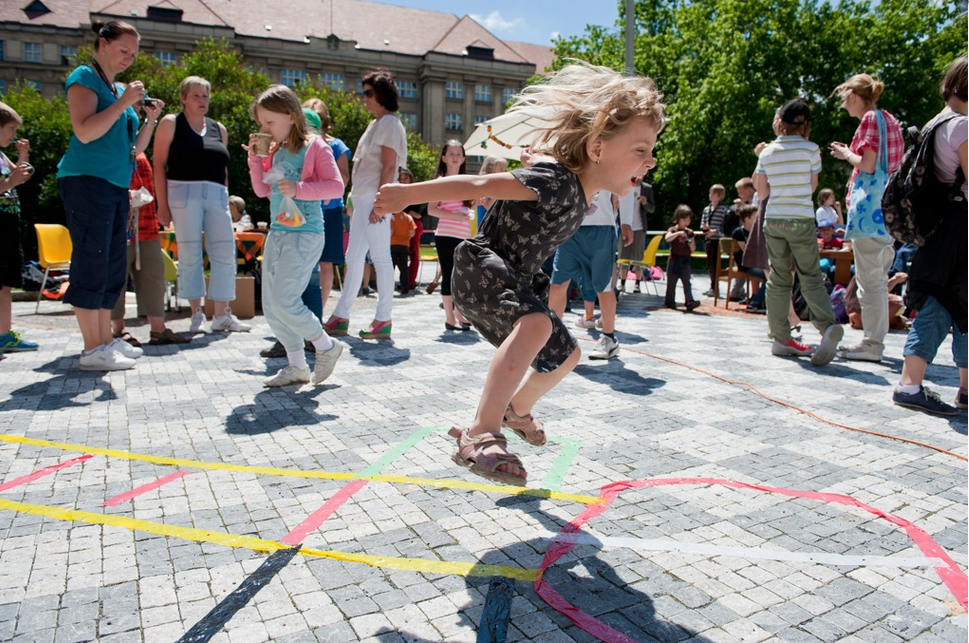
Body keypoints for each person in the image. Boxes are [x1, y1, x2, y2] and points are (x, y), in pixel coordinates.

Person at [373, 62, 664, 485]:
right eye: (640, 150)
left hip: (513, 279)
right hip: (482, 269)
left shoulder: (580, 189)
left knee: (567, 355)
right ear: (598, 149)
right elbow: (479, 186)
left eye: (652, 150)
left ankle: (517, 411)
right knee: (536, 326)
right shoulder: (555, 182)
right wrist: (407, 195)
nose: (650, 160)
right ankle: (481, 432)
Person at [56, 20, 164, 371]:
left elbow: (135, 149)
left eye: (133, 54)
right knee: (92, 261)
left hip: (116, 186)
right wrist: (123, 103)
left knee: (111, 265)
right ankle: (92, 348)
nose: (129, 59)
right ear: (102, 43)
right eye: (123, 51)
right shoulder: (84, 78)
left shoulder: (118, 89)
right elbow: (85, 131)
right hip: (86, 180)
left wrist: (149, 120)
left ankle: (105, 341)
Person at [246, 84, 346, 387]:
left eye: (269, 122)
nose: (264, 129)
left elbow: (336, 186)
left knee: (287, 301)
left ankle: (326, 345)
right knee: (273, 305)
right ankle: (297, 366)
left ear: (290, 116)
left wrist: (300, 188)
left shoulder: (315, 146)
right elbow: (263, 190)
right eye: (261, 123)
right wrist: (254, 160)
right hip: (278, 233)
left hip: (305, 234)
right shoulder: (275, 150)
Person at [892, 55, 967, 415]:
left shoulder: (937, 122)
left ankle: (962, 390)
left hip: (941, 227)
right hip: (959, 227)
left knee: (956, 304)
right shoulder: (963, 127)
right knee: (943, 304)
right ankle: (909, 385)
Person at [153, 75, 249, 334]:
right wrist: (162, 204)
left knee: (225, 252)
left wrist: (226, 197)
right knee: (189, 252)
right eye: (195, 95)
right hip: (183, 192)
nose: (201, 100)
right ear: (183, 98)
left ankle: (222, 314)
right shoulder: (171, 123)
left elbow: (223, 166)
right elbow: (158, 165)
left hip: (217, 194)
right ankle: (196, 313)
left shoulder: (219, 128)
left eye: (205, 95)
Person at [754, 99, 842, 365]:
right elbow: (813, 187)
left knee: (779, 279)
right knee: (811, 276)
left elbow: (762, 192)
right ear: (805, 125)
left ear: (780, 122)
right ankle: (827, 327)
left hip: (775, 220)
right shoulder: (812, 150)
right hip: (801, 220)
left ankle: (781, 338)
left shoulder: (767, 153)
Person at [324, 69, 407, 339]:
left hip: (375, 196)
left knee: (381, 257)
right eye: (365, 93)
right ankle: (341, 314)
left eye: (369, 93)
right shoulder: (377, 123)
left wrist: (380, 202)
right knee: (355, 256)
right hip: (364, 197)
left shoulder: (389, 123)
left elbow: (390, 165)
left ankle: (383, 318)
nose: (365, 98)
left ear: (383, 93)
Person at [829, 73, 904, 362]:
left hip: (870, 214)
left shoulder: (870, 120)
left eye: (845, 98)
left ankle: (872, 345)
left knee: (869, 280)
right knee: (877, 276)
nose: (844, 105)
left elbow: (869, 165)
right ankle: (874, 341)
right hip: (887, 213)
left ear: (854, 96)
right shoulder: (889, 119)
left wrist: (847, 154)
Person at [110, 150, 189, 346]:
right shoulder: (112, 146)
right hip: (120, 228)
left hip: (147, 225)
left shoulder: (140, 147)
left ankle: (158, 330)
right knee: (117, 279)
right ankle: (117, 331)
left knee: (154, 277)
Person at [549, 190, 635, 360]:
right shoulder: (566, 161)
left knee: (603, 287)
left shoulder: (612, 163)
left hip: (602, 228)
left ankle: (609, 338)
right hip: (569, 227)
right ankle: (553, 338)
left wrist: (626, 221)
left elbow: (627, 184)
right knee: (557, 283)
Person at [303, 98, 351, 316]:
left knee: (326, 263)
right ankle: (302, 312)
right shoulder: (299, 145)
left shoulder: (336, 145)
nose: (315, 123)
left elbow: (343, 177)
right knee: (304, 263)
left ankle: (318, 313)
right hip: (304, 210)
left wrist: (324, 194)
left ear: (325, 121)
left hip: (330, 211)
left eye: (319, 118)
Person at [0, 101, 37, 354]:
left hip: (9, 225)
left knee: (6, 283)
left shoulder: (1, 155)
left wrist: (23, 157)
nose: (14, 135)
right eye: (11, 129)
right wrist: (10, 181)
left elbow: (20, 177)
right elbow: (9, 182)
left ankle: (4, 333)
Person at [429, 141, 474, 331]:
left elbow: (470, 208)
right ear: (444, 157)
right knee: (449, 275)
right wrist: (455, 215)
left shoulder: (467, 182)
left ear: (463, 158)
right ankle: (450, 317)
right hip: (446, 234)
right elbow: (431, 210)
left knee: (462, 276)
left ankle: (458, 312)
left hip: (464, 235)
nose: (455, 156)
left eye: (458, 153)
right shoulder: (439, 182)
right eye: (451, 153)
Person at [729, 204, 766, 311]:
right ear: (747, 218)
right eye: (756, 215)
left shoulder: (757, 232)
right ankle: (755, 303)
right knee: (771, 277)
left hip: (757, 263)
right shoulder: (738, 233)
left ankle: (757, 299)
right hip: (746, 265)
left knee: (774, 275)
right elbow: (746, 252)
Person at [664, 205, 700, 311]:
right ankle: (670, 301)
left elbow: (693, 248)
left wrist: (690, 242)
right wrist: (678, 233)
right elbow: (667, 238)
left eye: (689, 219)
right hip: (674, 260)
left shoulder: (689, 232)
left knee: (687, 282)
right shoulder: (673, 229)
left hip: (685, 261)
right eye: (684, 219)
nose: (686, 222)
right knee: (671, 283)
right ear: (678, 218)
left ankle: (689, 301)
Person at [617, 182, 649, 293]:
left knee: (638, 257)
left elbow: (652, 208)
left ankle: (637, 284)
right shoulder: (623, 183)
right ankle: (622, 283)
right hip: (623, 227)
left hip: (639, 228)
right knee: (623, 256)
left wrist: (645, 203)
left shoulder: (647, 188)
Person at [700, 184, 730, 297]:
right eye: (710, 193)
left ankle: (714, 287)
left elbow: (725, 227)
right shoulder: (706, 209)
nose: (710, 195)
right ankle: (712, 286)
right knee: (709, 264)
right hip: (708, 239)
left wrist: (715, 232)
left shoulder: (723, 210)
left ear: (720, 196)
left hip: (717, 240)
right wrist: (705, 228)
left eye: (713, 193)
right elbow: (702, 223)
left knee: (715, 264)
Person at [400, 167, 427, 290]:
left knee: (414, 254)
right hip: (399, 225)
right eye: (401, 179)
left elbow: (428, 203)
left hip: (415, 224)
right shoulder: (397, 192)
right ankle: (407, 277)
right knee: (398, 253)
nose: (403, 181)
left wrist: (421, 215)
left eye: (405, 178)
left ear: (410, 179)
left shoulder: (416, 191)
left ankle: (410, 281)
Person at [389, 177, 416, 294]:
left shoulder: (392, 216)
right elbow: (412, 232)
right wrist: (406, 238)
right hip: (405, 244)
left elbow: (390, 231)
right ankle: (404, 286)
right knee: (404, 267)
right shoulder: (408, 217)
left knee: (391, 266)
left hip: (393, 243)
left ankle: (389, 286)